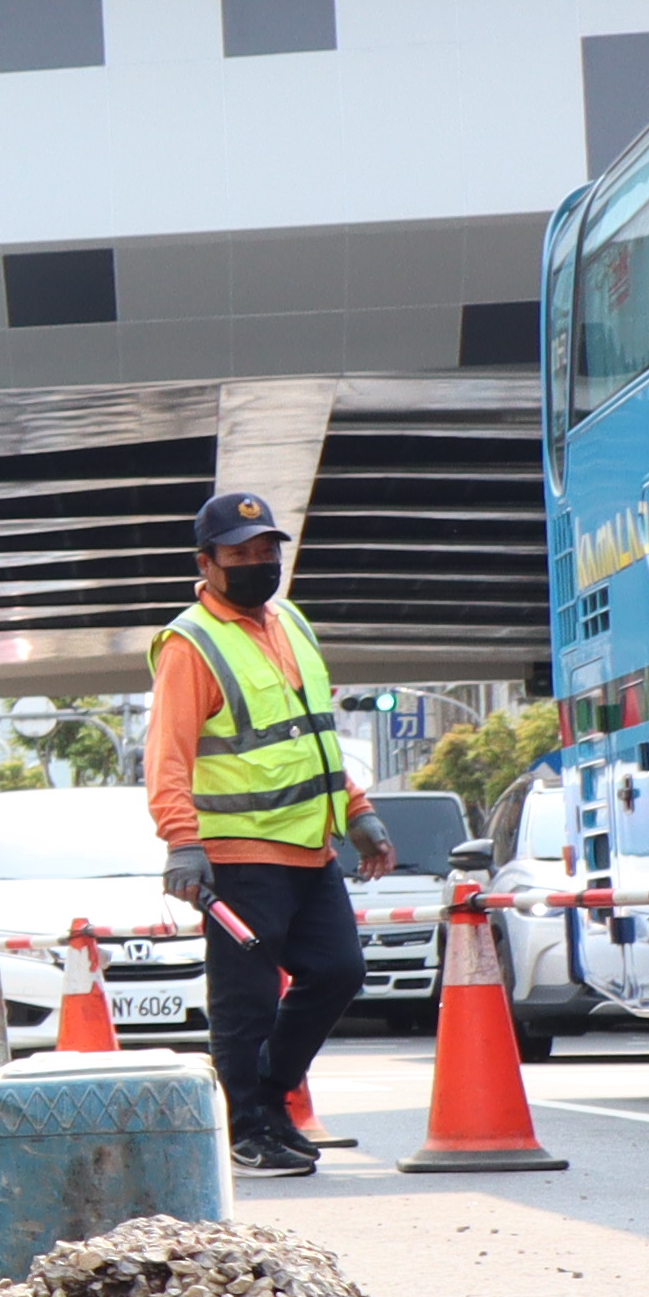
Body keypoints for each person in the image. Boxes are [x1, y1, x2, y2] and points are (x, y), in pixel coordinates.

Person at [149, 487, 380, 1182]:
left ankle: (270, 1102)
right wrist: (182, 843)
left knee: (339, 972)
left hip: (311, 851)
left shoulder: (292, 624)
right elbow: (167, 754)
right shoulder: (190, 643)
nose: (256, 563)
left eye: (265, 551)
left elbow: (315, 739)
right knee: (245, 1001)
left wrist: (358, 812)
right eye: (239, 554)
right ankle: (247, 1129)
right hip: (238, 857)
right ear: (207, 562)